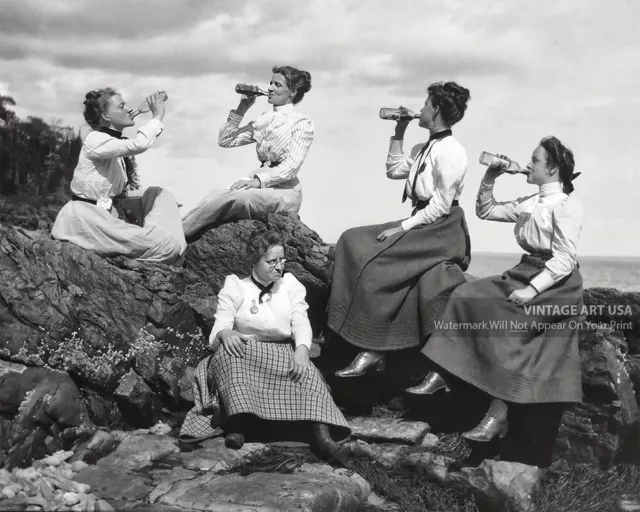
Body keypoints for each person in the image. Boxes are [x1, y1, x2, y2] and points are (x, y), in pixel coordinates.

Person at [414, 136, 584, 443]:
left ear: (553, 168)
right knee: (465, 295)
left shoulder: (567, 207)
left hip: (556, 284)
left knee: (507, 324)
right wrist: (491, 176)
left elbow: (565, 260)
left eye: (534, 160)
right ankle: (445, 372)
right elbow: (486, 210)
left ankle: (498, 412)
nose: (528, 165)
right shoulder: (530, 202)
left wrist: (532, 290)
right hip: (525, 271)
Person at [329, 81, 472, 380]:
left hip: (443, 228)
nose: (420, 108)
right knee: (350, 239)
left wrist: (401, 228)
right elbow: (394, 170)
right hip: (422, 221)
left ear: (438, 111)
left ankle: (373, 348)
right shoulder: (424, 147)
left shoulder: (453, 152)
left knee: (379, 263)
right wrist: (399, 131)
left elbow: (441, 206)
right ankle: (347, 333)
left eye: (426, 104)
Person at [204, 229, 350, 461]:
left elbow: (300, 320)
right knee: (229, 355)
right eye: (272, 261)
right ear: (255, 260)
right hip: (247, 351)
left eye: (282, 260)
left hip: (282, 350)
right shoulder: (235, 286)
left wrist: (302, 349)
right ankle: (238, 425)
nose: (279, 266)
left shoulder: (290, 285)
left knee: (308, 374)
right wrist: (226, 332)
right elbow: (218, 328)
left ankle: (324, 439)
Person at [51, 88, 186, 264]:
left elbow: (117, 190)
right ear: (106, 116)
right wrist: (157, 115)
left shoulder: (111, 141)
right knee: (168, 247)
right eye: (122, 106)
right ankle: (169, 246)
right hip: (88, 218)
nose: (130, 109)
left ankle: (164, 239)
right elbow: (139, 144)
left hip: (110, 210)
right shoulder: (95, 140)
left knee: (158, 194)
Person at [181, 66, 314, 241]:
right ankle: (177, 231)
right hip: (261, 183)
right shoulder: (264, 119)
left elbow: (291, 167)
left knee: (237, 197)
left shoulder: (302, 122)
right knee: (216, 193)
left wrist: (258, 181)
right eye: (270, 83)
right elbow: (225, 140)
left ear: (292, 91)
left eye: (277, 85)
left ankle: (177, 236)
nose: (270, 88)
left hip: (285, 192)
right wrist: (242, 108)